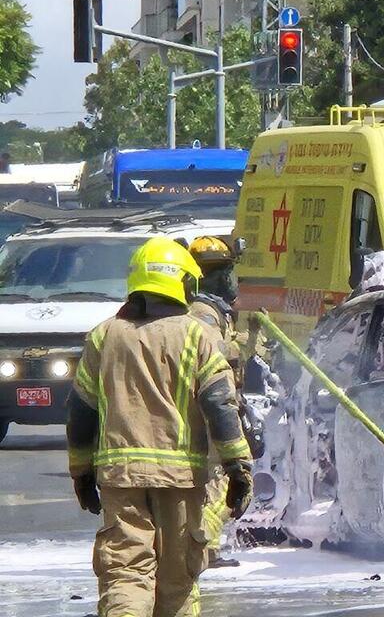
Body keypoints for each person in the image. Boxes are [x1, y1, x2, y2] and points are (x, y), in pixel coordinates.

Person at [66, 237, 253, 617]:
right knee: (177, 580)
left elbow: (81, 412)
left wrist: (82, 472)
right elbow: (220, 405)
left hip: (121, 480)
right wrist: (238, 467)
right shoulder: (197, 335)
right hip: (181, 480)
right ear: (183, 283)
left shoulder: (105, 336)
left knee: (126, 574)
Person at [188, 235, 248, 568]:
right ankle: (205, 549)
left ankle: (203, 547)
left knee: (213, 480)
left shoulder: (214, 313)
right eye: (227, 273)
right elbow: (212, 366)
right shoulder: (203, 316)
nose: (233, 281)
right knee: (218, 481)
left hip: (215, 407)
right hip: (211, 412)